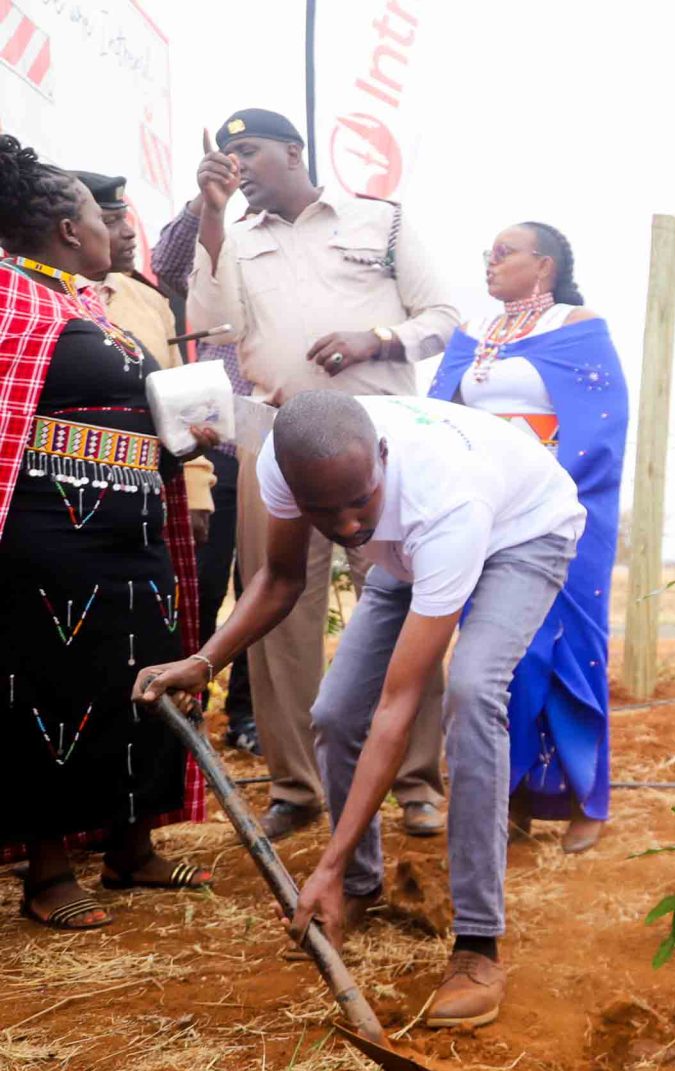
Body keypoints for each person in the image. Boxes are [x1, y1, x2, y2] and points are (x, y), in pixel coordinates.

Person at [138, 390, 585, 1028]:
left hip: (523, 528)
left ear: (381, 455)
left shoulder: (445, 499)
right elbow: (282, 579)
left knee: (473, 690)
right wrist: (206, 660)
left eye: (360, 502)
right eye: (327, 512)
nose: (348, 527)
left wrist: (325, 858)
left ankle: (479, 942)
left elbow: (400, 706)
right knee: (336, 712)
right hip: (412, 550)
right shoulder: (286, 465)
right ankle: (357, 888)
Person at [186, 108, 458, 841]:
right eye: (226, 158)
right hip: (277, 443)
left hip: (384, 444)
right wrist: (211, 223)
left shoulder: (382, 220)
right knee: (278, 620)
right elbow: (210, 328)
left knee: (403, 606)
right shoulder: (232, 240)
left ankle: (417, 784)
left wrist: (377, 339)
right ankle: (296, 789)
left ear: (293, 151)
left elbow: (443, 315)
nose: (236, 167)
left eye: (247, 152)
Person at [0, 136, 217, 929]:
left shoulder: (93, 307)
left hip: (133, 531)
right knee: (51, 691)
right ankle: (50, 871)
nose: (114, 228)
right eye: (101, 214)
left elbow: (132, 416)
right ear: (66, 229)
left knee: (140, 685)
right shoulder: (9, 299)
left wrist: (190, 436)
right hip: (49, 534)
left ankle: (132, 847)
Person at [427, 221, 626, 855]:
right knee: (497, 657)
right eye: (488, 252)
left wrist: (542, 492)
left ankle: (584, 800)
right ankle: (506, 797)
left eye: (505, 253)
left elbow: (602, 424)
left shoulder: (575, 325)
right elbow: (440, 415)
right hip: (484, 516)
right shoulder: (474, 336)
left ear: (542, 266)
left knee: (569, 651)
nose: (491, 261)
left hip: (561, 513)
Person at [152, 196, 258, 756]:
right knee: (207, 580)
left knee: (260, 587)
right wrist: (206, 203)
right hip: (213, 445)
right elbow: (165, 263)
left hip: (269, 446)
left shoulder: (292, 262)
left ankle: (249, 716)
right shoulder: (219, 243)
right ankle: (191, 707)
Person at [73, 172, 217, 538]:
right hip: (62, 494)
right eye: (108, 221)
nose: (128, 232)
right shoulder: (33, 299)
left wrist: (197, 490)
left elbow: (183, 403)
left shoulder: (149, 300)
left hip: (154, 485)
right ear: (69, 231)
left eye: (124, 218)